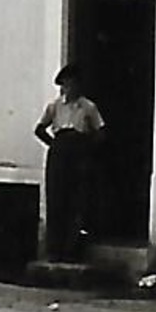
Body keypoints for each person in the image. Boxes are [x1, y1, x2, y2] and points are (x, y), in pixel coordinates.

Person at [34, 63, 106, 262]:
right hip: (59, 155)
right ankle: (54, 249)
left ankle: (72, 250)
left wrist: (86, 149)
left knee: (77, 200)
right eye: (65, 84)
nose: (69, 88)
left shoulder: (88, 107)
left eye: (73, 84)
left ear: (78, 86)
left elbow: (101, 132)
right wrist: (55, 146)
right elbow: (39, 129)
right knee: (57, 199)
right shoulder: (54, 106)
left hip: (79, 154)